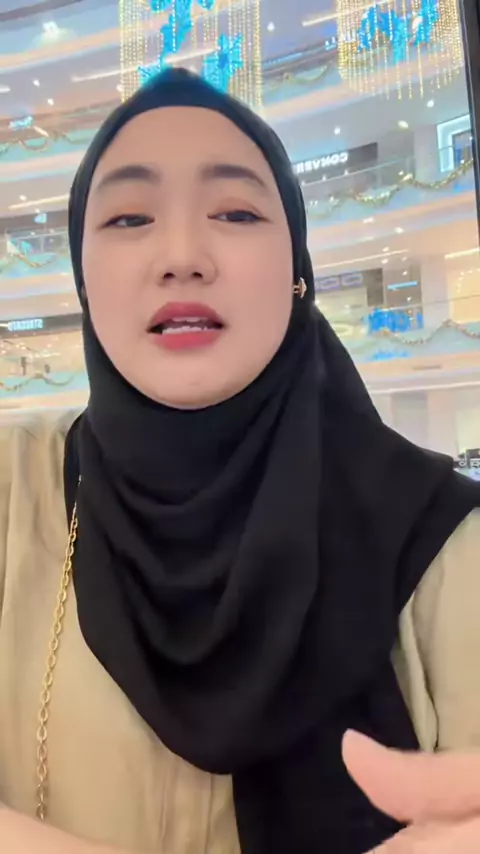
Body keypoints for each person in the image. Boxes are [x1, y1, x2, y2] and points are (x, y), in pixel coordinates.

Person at [0, 68, 480, 854]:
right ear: (83, 279)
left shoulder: (442, 539)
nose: (182, 257)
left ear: (297, 272)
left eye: (236, 212)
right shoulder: (11, 491)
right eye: (128, 217)